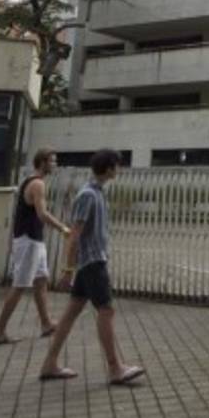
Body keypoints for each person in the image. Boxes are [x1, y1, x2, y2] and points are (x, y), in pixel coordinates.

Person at [38, 148, 144, 385]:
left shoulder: (97, 192)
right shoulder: (88, 195)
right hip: (92, 263)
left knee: (70, 313)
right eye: (117, 165)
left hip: (90, 262)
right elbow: (75, 235)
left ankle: (49, 364)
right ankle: (115, 368)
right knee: (106, 311)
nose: (119, 169)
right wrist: (67, 270)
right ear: (108, 168)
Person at [0, 148, 69, 344]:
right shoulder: (37, 184)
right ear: (42, 162)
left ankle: (46, 323)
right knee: (20, 285)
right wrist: (64, 228)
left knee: (41, 280)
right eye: (52, 161)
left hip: (33, 239)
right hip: (28, 240)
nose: (55, 165)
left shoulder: (31, 181)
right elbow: (42, 214)